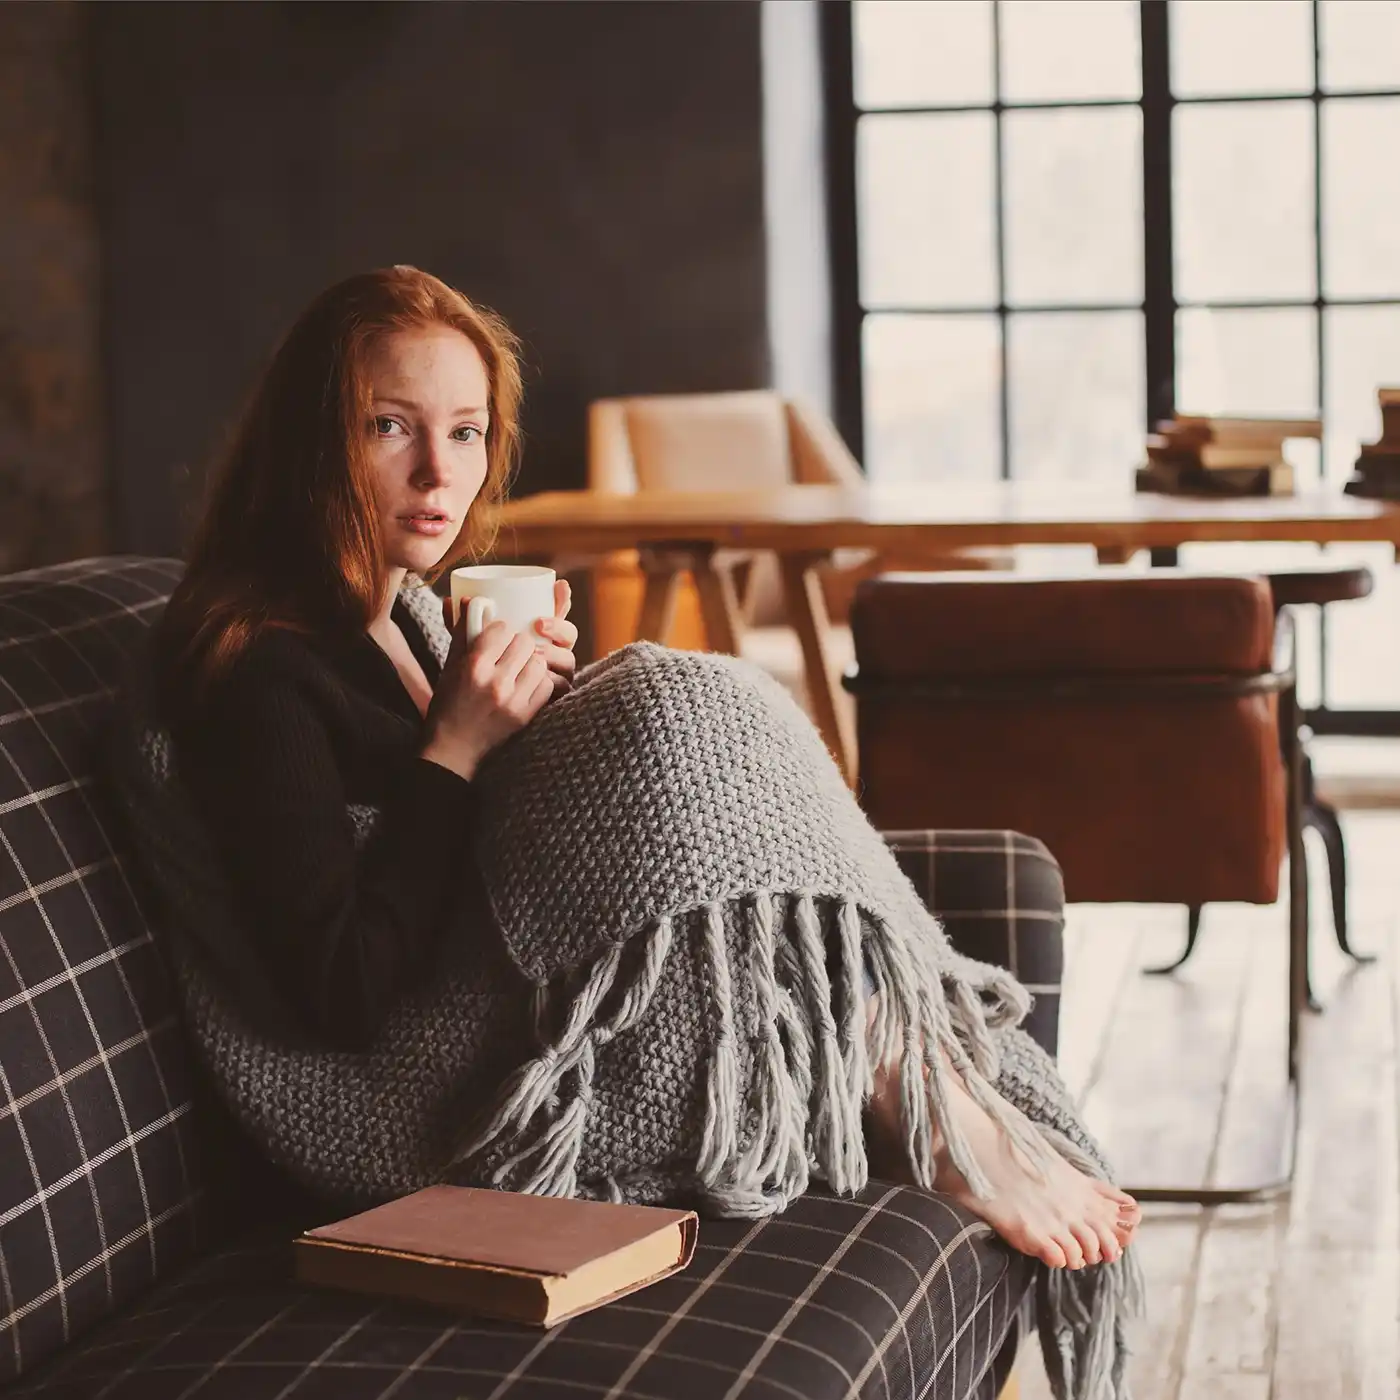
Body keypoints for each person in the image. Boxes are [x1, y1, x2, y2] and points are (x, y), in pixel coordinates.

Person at [148, 265, 1139, 1276]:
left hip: (512, 1003)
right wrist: (456, 744)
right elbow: (342, 990)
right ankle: (926, 1094)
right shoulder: (259, 674)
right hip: (430, 1090)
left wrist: (529, 725)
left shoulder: (400, 616)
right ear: (313, 441)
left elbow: (462, 832)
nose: (438, 475)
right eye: (389, 427)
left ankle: (910, 1059)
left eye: (464, 430)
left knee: (690, 716)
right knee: (672, 700)